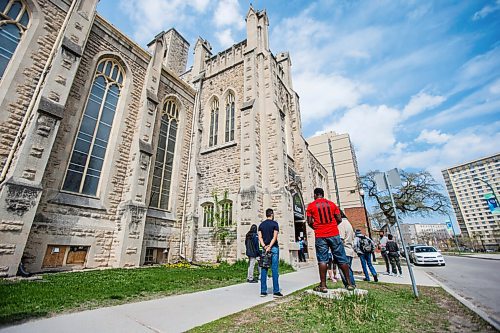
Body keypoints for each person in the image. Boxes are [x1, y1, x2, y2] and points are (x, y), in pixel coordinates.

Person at [306, 188, 355, 292]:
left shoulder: (311, 206)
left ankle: (323, 286)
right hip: (334, 234)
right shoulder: (332, 205)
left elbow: (309, 221)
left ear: (315, 195)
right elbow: (339, 219)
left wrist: (317, 227)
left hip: (320, 235)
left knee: (322, 260)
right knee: (341, 258)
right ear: (323, 195)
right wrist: (332, 226)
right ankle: (349, 283)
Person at [258, 208, 283, 298]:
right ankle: (276, 291)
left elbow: (260, 237)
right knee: (274, 269)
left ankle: (263, 291)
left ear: (266, 214)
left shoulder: (261, 225)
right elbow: (274, 237)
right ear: (272, 214)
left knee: (264, 269)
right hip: (274, 248)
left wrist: (265, 246)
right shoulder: (275, 224)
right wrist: (270, 246)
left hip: (264, 248)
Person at [337, 210, 356, 288]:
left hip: (344, 250)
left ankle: (350, 285)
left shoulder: (341, 224)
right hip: (349, 250)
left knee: (345, 271)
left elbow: (340, 239)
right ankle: (352, 284)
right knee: (348, 269)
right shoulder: (348, 223)